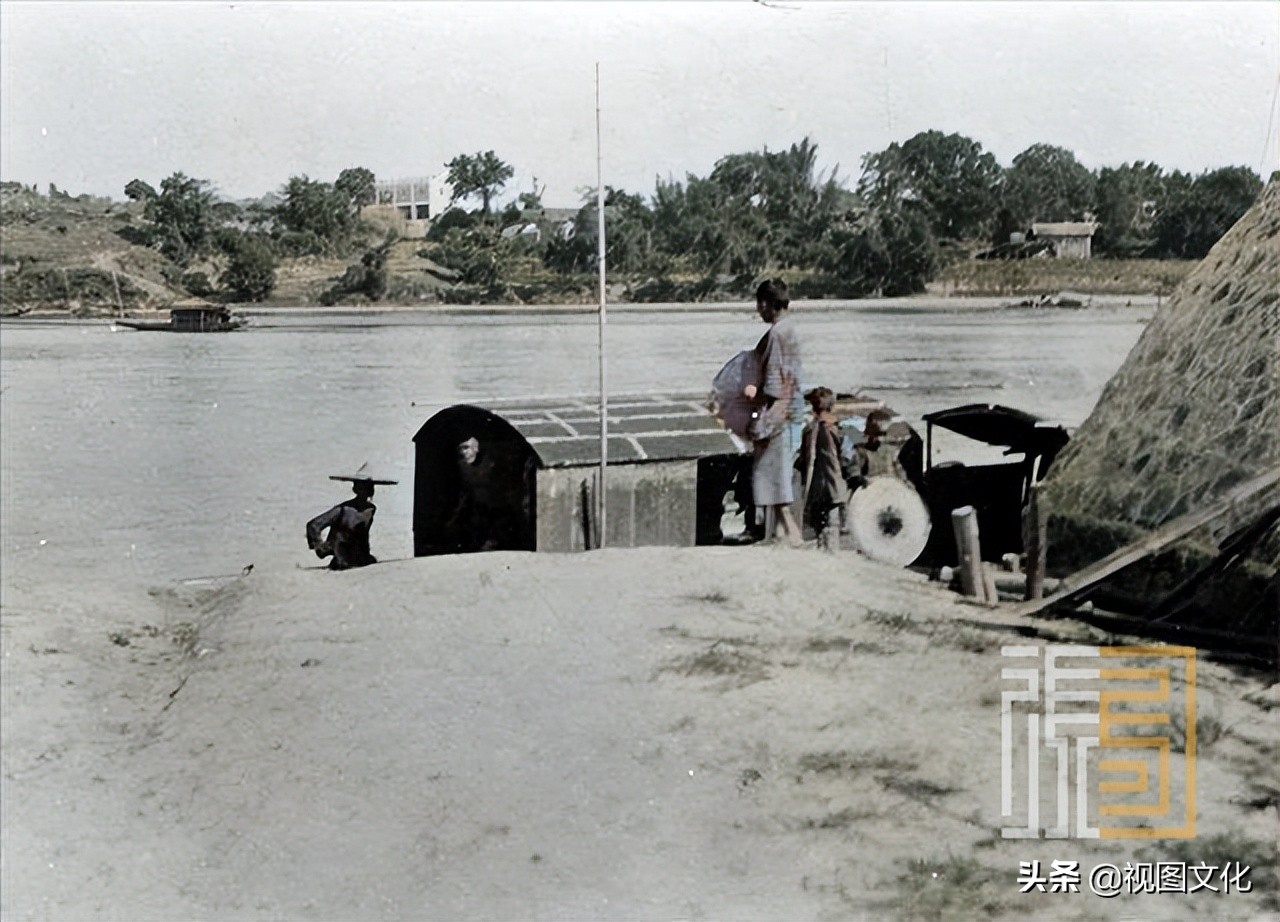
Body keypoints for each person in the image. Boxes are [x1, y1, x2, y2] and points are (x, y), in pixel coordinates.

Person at [743, 278, 805, 546]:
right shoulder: (790, 330)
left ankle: (790, 531)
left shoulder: (776, 335)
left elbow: (772, 381)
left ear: (765, 304)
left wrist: (760, 410)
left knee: (769, 469)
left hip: (779, 408)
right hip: (793, 406)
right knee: (777, 468)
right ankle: (779, 533)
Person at [798, 387, 851, 551]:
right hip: (834, 488)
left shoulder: (808, 431)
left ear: (813, 408)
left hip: (814, 489)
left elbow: (801, 461)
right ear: (832, 406)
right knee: (832, 527)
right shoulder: (840, 429)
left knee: (819, 530)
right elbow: (849, 458)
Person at [306, 477, 381, 570]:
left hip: (361, 555)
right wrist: (320, 546)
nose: (366, 491)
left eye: (369, 488)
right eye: (362, 488)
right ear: (355, 489)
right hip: (342, 555)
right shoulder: (342, 509)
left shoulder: (371, 509)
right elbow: (313, 525)